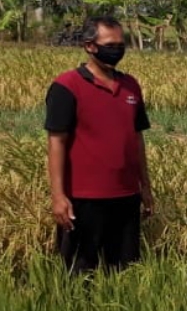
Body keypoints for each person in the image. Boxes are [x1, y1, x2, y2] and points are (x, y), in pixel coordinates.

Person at [44, 15, 153, 274]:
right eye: (110, 44)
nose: (117, 49)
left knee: (124, 271)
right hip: (84, 199)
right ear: (89, 46)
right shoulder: (66, 86)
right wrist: (58, 196)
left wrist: (145, 187)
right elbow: (56, 141)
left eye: (120, 44)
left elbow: (137, 139)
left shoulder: (130, 86)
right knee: (81, 274)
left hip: (126, 196)